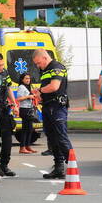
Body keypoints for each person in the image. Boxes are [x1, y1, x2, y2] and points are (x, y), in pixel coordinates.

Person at [32, 48, 72, 179]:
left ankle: (73, 166)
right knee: (52, 138)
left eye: (38, 63)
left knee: (61, 136)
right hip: (48, 106)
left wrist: (39, 91)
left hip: (57, 107)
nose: (38, 66)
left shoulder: (56, 67)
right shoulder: (45, 70)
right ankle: (59, 168)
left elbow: (54, 86)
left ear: (44, 57)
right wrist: (40, 96)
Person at [0, 52, 20, 177]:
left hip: (3, 108)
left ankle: (4, 165)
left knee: (7, 138)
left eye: (2, 64)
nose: (1, 67)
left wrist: (14, 104)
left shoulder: (5, 73)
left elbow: (8, 89)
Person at [15, 73, 38, 154]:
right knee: (25, 129)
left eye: (29, 78)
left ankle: (28, 146)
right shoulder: (21, 87)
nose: (28, 80)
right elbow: (18, 99)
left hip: (29, 109)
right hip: (24, 110)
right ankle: (22, 148)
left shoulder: (28, 86)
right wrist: (28, 97)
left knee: (30, 129)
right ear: (22, 79)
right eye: (26, 78)